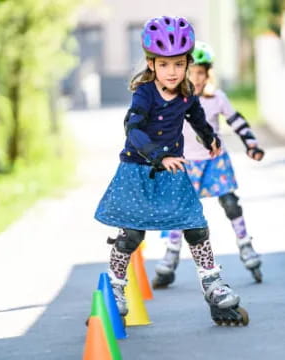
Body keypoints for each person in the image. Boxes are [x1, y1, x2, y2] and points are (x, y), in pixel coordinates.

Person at [94, 17, 248, 326]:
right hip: (138, 171)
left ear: (188, 63)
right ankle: (115, 288)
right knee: (131, 235)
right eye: (164, 65)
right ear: (152, 64)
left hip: (172, 172)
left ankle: (213, 285)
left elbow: (197, 117)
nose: (173, 71)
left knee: (195, 227)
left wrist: (210, 138)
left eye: (179, 64)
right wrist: (159, 156)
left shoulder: (186, 94)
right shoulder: (145, 94)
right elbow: (133, 130)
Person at [152, 41, 265, 290]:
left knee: (230, 202)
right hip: (185, 163)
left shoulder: (216, 98)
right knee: (180, 211)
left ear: (207, 74)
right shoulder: (173, 98)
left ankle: (245, 244)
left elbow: (236, 120)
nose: (196, 78)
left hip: (214, 161)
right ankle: (171, 256)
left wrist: (251, 144)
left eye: (201, 73)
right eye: (191, 72)